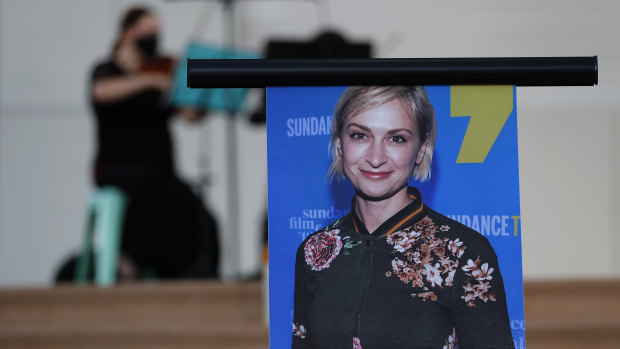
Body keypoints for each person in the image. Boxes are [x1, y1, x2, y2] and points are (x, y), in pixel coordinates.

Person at [292, 86, 514, 348]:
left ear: (421, 148)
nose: (376, 158)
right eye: (360, 135)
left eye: (396, 138)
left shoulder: (465, 254)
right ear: (340, 143)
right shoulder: (314, 251)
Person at [89, 6, 219, 279]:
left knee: (202, 217)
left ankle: (188, 273)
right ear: (127, 33)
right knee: (147, 188)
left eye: (156, 33)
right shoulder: (107, 70)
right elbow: (100, 91)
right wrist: (150, 80)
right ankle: (131, 262)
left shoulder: (163, 71)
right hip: (118, 168)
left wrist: (204, 97)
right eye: (146, 32)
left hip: (160, 172)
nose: (152, 39)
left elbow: (188, 114)